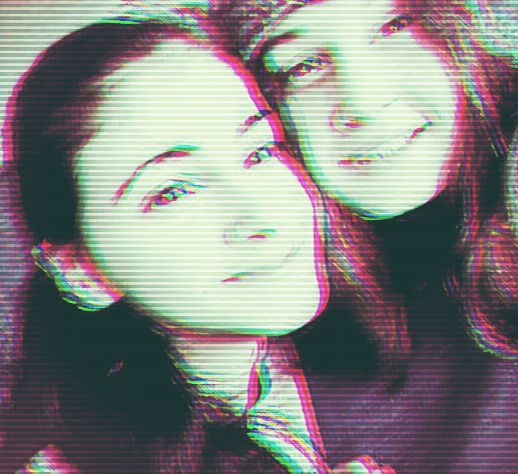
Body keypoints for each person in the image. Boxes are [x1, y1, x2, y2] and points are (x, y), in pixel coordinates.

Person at [208, 0, 518, 471]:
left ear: (469, 42)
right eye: (304, 66)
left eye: (397, 28)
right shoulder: (247, 337)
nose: (364, 103)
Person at [0, 8, 401, 472]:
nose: (262, 215)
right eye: (174, 192)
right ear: (81, 272)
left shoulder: (361, 355)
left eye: (260, 151)